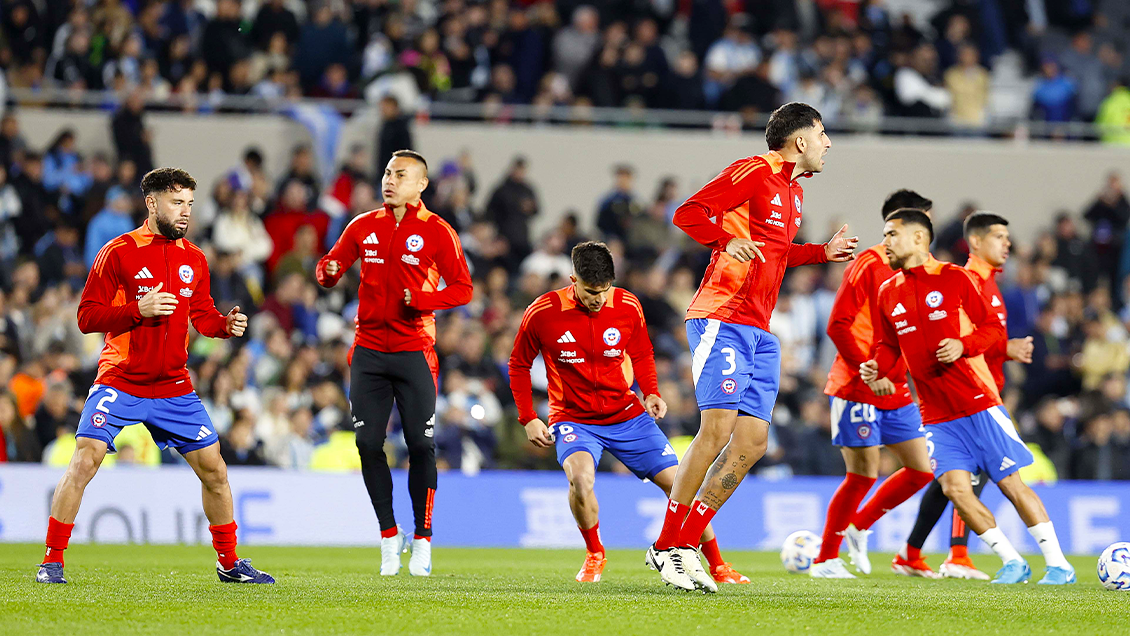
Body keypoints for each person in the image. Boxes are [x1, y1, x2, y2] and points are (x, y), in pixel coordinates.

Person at [647, 102, 858, 592]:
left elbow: (777, 254)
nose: (828, 143)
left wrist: (820, 254)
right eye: (823, 134)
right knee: (717, 429)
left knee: (752, 442)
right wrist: (724, 239)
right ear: (800, 139)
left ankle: (685, 542)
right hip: (721, 317)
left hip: (760, 330)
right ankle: (667, 546)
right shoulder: (753, 171)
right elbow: (688, 213)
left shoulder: (793, 192)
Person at [36, 168, 272, 585]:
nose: (185, 212)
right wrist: (136, 311)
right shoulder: (118, 252)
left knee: (215, 470)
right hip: (121, 379)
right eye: (177, 203)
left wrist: (224, 324)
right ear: (152, 203)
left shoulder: (195, 258)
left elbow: (201, 315)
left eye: (190, 204)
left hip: (173, 386)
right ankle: (51, 561)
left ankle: (230, 564)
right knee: (86, 458)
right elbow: (86, 316)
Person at [509, 241, 749, 586]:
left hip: (627, 416)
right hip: (574, 419)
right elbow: (518, 363)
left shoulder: (627, 305)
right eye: (591, 292)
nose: (599, 299)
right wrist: (528, 416)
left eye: (605, 291)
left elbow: (641, 351)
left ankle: (718, 564)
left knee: (681, 484)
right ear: (573, 279)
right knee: (580, 480)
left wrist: (651, 391)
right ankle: (595, 554)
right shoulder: (543, 311)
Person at [861, 209, 1075, 585]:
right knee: (954, 489)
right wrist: (875, 366)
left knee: (1010, 483)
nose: (885, 243)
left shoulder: (954, 278)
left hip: (977, 403)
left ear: (918, 239)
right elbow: (888, 345)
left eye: (892, 234)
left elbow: (992, 330)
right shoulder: (887, 291)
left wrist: (963, 345)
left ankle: (1058, 564)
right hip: (937, 416)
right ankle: (1012, 561)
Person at [316, 150, 472, 577]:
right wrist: (327, 272)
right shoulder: (363, 225)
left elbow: (462, 288)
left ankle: (423, 539)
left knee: (421, 445)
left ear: (421, 184)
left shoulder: (438, 231)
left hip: (414, 351)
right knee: (367, 445)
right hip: (367, 352)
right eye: (386, 173)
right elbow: (330, 265)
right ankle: (390, 535)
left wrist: (424, 300)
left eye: (400, 175)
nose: (390, 181)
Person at [897, 211, 1035, 580]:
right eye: (999, 237)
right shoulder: (967, 279)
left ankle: (912, 552)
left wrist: (1005, 350)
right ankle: (956, 554)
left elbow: (974, 341)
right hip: (968, 397)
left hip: (982, 392)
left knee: (951, 483)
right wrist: (1001, 349)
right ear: (976, 241)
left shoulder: (987, 281)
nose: (1008, 244)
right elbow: (957, 343)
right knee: (964, 481)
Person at [812, 190, 937, 579]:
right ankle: (825, 560)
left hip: (895, 386)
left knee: (921, 470)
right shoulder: (869, 263)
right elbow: (838, 324)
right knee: (862, 473)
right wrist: (870, 369)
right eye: (922, 224)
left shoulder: (923, 271)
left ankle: (859, 525)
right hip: (857, 383)